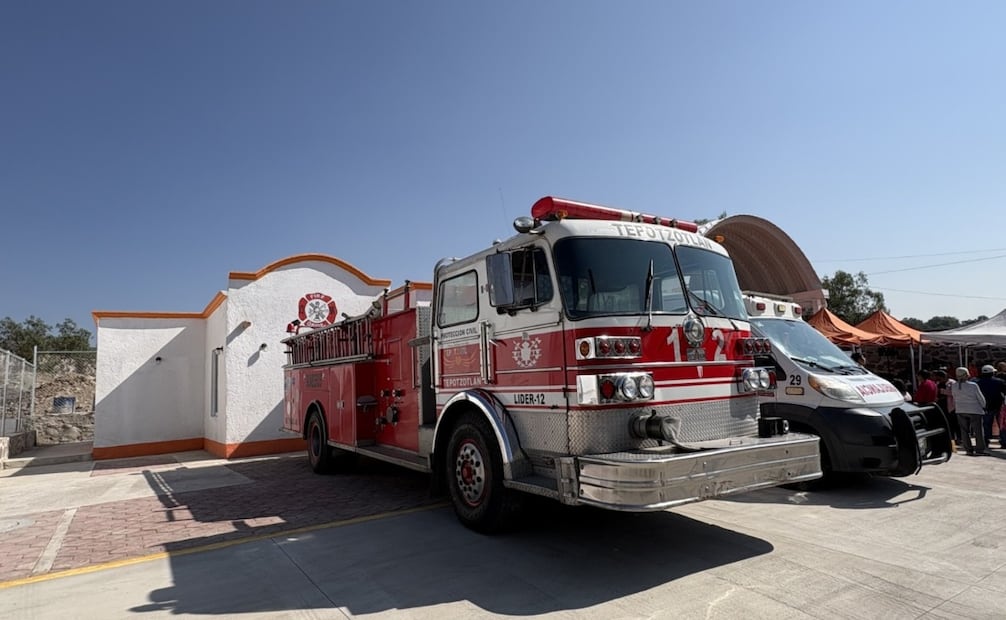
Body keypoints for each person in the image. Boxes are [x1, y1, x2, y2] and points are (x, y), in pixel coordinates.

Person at [954, 367, 988, 456]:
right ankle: (979, 449)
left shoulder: (954, 385)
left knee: (964, 431)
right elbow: (980, 397)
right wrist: (984, 406)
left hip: (960, 409)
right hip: (975, 410)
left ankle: (968, 449)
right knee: (978, 431)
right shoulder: (973, 385)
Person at [975, 364, 1006, 448]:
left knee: (986, 425)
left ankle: (985, 441)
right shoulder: (999, 382)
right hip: (998, 406)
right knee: (1002, 425)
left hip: (984, 406)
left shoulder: (977, 383)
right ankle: (1004, 441)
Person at [933, 368, 958, 443]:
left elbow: (954, 393)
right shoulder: (938, 383)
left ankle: (956, 438)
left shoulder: (952, 383)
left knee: (954, 423)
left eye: (940, 378)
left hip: (951, 406)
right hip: (942, 405)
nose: (939, 380)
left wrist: (942, 391)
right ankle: (949, 438)